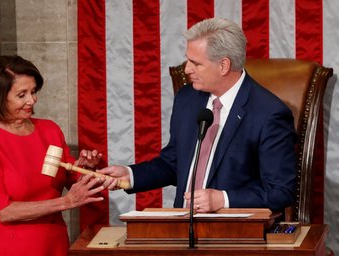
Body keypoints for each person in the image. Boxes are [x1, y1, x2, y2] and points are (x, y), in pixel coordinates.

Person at [98, 17, 297, 214]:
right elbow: (174, 162)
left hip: (236, 234)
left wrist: (223, 199)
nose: (186, 69)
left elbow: (280, 191)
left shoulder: (269, 113)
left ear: (223, 66)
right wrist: (130, 175)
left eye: (196, 63)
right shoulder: (187, 98)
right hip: (183, 228)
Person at [0, 55, 105, 256]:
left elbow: (72, 180)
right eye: (21, 94)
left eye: (33, 92)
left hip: (54, 243)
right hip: (10, 247)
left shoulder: (50, 130)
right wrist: (66, 202)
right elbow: (4, 212)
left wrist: (86, 168)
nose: (32, 100)